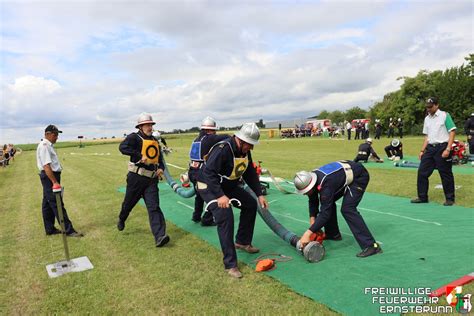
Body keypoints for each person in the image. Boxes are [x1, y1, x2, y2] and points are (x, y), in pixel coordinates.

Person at [196, 123, 268, 278]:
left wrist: (259, 194)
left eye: (252, 146)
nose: (250, 148)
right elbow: (208, 172)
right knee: (225, 216)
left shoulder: (245, 150)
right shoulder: (223, 149)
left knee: (250, 204)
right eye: (249, 145)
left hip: (227, 186)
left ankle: (242, 241)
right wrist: (220, 196)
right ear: (240, 140)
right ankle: (231, 264)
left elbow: (249, 172)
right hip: (209, 186)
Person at [294, 161, 382, 258]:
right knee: (327, 203)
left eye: (305, 191)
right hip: (342, 176)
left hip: (359, 176)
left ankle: (371, 246)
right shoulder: (312, 179)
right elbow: (313, 200)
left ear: (311, 185)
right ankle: (333, 234)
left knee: (347, 209)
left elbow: (325, 214)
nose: (304, 193)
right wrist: (313, 219)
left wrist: (308, 233)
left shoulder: (325, 184)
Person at [118, 113, 170, 247]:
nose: (150, 127)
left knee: (154, 207)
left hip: (151, 180)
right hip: (136, 178)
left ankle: (160, 236)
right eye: (147, 125)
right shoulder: (134, 137)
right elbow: (122, 148)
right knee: (128, 204)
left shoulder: (154, 141)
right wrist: (139, 155)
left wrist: (161, 168)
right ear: (140, 126)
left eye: (151, 125)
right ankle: (122, 218)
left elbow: (160, 160)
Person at [36, 125, 83, 237]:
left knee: (47, 203)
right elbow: (46, 166)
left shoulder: (48, 145)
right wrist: (54, 182)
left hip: (50, 177)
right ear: (47, 134)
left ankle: (50, 229)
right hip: (50, 177)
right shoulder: (44, 146)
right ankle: (69, 230)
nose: (57, 137)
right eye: (55, 134)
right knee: (57, 203)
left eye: (57, 134)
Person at [411, 97, 456, 206]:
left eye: (431, 107)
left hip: (442, 147)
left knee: (445, 173)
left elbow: (452, 132)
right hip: (430, 148)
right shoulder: (427, 119)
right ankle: (422, 197)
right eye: (427, 107)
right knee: (422, 172)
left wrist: (448, 148)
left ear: (437, 105)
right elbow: (427, 136)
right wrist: (422, 150)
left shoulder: (445, 115)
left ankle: (450, 198)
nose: (428, 109)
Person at [188, 116, 229, 225]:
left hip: (192, 170)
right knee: (213, 195)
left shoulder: (196, 139)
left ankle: (196, 216)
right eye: (214, 130)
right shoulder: (209, 138)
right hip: (201, 173)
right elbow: (225, 137)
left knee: (199, 195)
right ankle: (207, 219)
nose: (215, 133)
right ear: (209, 130)